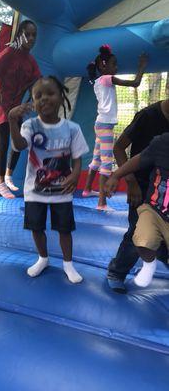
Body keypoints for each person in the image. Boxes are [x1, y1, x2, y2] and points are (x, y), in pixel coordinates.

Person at [8, 76, 89, 283]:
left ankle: (68, 264)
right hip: (34, 191)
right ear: (33, 102)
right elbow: (18, 146)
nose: (44, 99)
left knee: (65, 229)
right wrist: (11, 121)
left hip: (61, 191)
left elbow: (77, 159)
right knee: (36, 227)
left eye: (50, 93)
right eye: (38, 96)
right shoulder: (29, 126)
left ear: (62, 97)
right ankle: (42, 258)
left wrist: (74, 174)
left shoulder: (72, 128)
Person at [106, 99, 169, 293]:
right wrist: (129, 182)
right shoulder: (148, 116)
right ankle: (117, 271)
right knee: (137, 232)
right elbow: (119, 147)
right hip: (143, 188)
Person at [82, 45, 148, 210]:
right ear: (103, 66)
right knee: (106, 163)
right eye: (114, 64)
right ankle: (102, 203)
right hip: (105, 126)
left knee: (96, 159)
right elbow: (135, 83)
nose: (116, 67)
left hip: (100, 124)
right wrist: (142, 66)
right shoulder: (106, 78)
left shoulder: (96, 81)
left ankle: (87, 189)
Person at [0, 20, 41, 199]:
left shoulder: (30, 60)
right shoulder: (9, 53)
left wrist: (33, 99)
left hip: (15, 106)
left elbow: (37, 81)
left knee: (19, 140)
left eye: (34, 35)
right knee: (4, 139)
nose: (31, 38)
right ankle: (0, 182)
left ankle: (8, 175)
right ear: (20, 35)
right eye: (28, 34)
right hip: (1, 104)